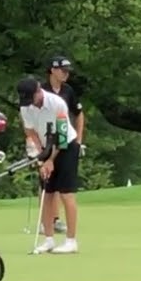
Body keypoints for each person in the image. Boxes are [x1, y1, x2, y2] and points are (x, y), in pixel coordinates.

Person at [17, 76, 80, 254]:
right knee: (47, 193)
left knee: (66, 194)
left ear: (38, 91)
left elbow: (61, 137)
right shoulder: (25, 107)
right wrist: (42, 158)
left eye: (31, 98)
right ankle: (49, 240)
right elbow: (31, 132)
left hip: (67, 146)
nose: (30, 103)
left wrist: (51, 160)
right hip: (45, 147)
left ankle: (71, 241)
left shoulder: (57, 103)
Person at [41, 55, 84, 234]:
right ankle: (48, 223)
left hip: (66, 141)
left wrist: (79, 140)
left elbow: (79, 114)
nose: (66, 74)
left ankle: (55, 221)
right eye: (62, 70)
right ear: (52, 70)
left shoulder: (68, 91)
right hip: (46, 141)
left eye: (67, 71)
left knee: (63, 185)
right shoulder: (41, 91)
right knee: (47, 185)